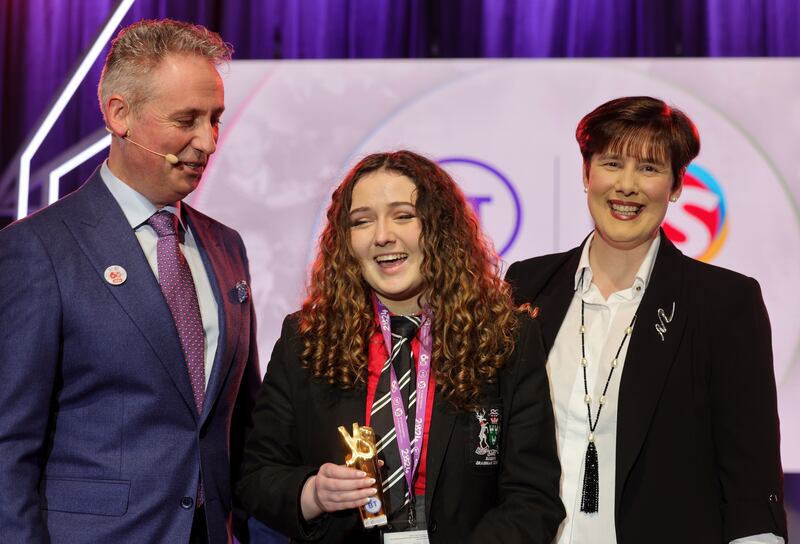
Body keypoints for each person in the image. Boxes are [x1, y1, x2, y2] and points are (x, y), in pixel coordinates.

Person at [0, 19, 260, 543]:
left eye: (214, 119)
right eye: (187, 119)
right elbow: (8, 446)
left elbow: (246, 425)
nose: (207, 141)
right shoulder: (38, 249)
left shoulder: (226, 246)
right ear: (120, 115)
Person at [237, 150, 564, 543]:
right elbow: (256, 476)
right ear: (346, 241)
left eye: (403, 215)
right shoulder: (306, 339)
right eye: (362, 221)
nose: (382, 235)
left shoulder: (505, 338)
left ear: (440, 228)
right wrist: (312, 493)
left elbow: (532, 498)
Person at [506, 96, 787, 543]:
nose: (627, 186)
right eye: (612, 163)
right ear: (586, 173)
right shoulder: (527, 285)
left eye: (650, 169)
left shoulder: (724, 302)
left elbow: (750, 476)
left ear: (676, 186)